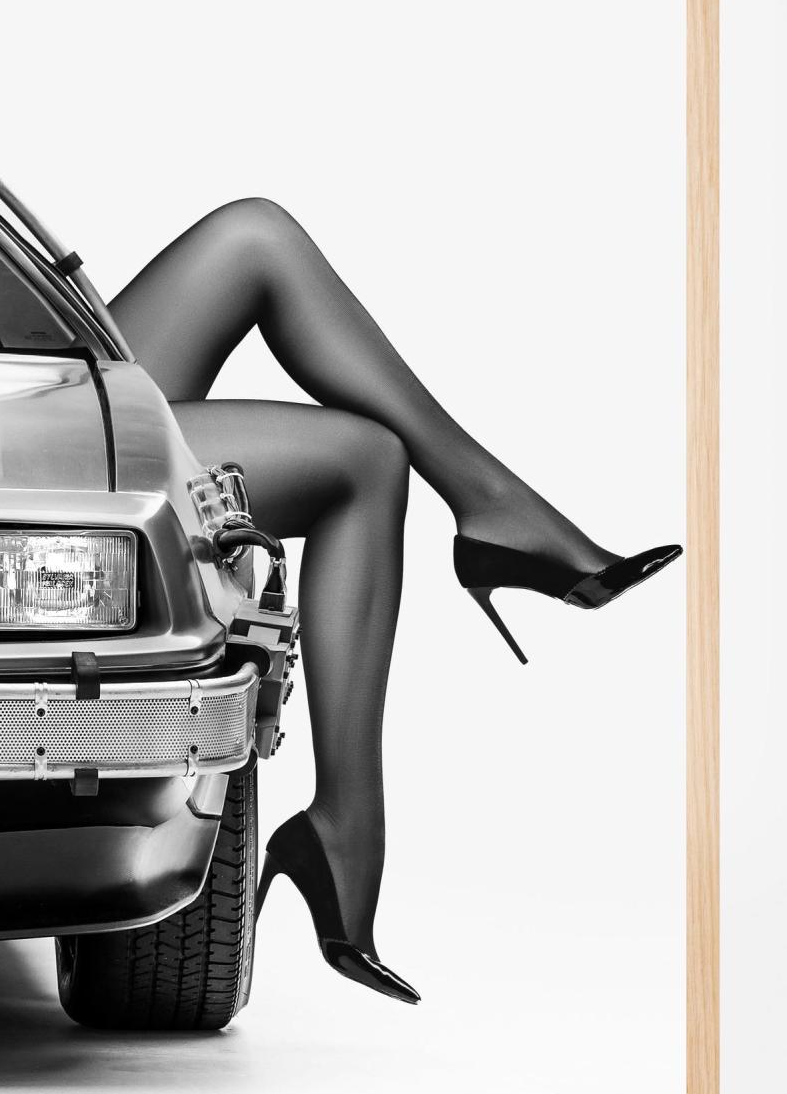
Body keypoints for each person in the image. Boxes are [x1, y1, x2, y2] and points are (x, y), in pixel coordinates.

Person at [108, 198, 681, 1005]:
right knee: (365, 459)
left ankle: (494, 515)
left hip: (9, 372)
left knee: (256, 235)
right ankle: (348, 824)